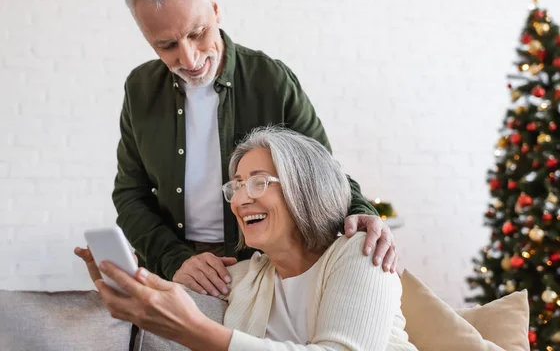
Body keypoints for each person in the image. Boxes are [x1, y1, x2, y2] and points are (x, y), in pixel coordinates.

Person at [114, 0, 398, 295]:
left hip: (265, 267)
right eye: (168, 46)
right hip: (175, 269)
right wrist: (173, 259)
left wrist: (362, 212)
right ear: (149, 40)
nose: (189, 59)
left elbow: (323, 174)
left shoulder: (272, 79)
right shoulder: (139, 88)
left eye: (197, 33)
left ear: (215, 10)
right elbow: (130, 194)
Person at [76, 127, 417, 350]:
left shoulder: (361, 253)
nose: (239, 201)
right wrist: (124, 282)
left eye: (257, 182)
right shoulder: (246, 276)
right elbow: (163, 308)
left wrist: (201, 333)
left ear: (306, 187)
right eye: (236, 186)